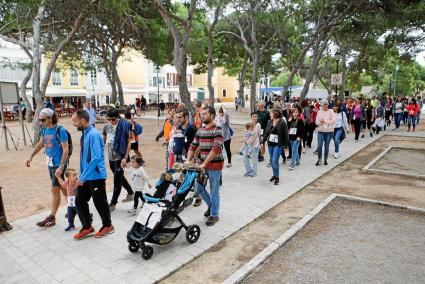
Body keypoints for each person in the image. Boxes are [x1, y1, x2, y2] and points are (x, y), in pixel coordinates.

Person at [71, 110, 113, 240]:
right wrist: (81, 175)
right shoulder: (84, 134)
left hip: (96, 176)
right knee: (79, 201)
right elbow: (84, 158)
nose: (74, 124)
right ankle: (87, 227)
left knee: (99, 201)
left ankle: (108, 225)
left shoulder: (94, 134)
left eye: (75, 121)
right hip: (86, 175)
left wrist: (83, 177)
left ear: (83, 120)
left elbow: (95, 159)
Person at [26, 108, 69, 228]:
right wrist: (31, 156)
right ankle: (74, 205)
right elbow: (41, 144)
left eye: (43, 119)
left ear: (50, 118)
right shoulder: (44, 129)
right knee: (61, 187)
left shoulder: (60, 130)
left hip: (58, 164)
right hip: (50, 164)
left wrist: (61, 167)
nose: (41, 122)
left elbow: (66, 150)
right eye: (40, 120)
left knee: (54, 190)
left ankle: (52, 217)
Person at [187, 106, 224, 226]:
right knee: (199, 189)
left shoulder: (218, 130)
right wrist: (189, 160)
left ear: (212, 115)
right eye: (201, 114)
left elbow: (216, 149)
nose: (202, 116)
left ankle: (214, 215)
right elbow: (193, 146)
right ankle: (211, 206)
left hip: (214, 166)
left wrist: (204, 163)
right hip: (202, 166)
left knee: (214, 191)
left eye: (205, 114)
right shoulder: (200, 130)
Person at [102, 108, 134, 212]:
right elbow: (104, 137)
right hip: (111, 156)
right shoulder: (106, 126)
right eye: (109, 119)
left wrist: (125, 157)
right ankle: (130, 193)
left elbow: (129, 143)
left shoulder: (125, 126)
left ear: (118, 118)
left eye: (113, 119)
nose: (111, 121)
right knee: (119, 176)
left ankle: (113, 203)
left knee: (117, 179)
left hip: (120, 156)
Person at [262, 108, 289, 185]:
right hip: (270, 143)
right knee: (272, 160)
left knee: (274, 160)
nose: (269, 114)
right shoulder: (270, 121)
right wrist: (263, 141)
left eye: (271, 113)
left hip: (278, 144)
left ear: (275, 114)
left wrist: (286, 146)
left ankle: (277, 177)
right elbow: (266, 132)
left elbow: (286, 135)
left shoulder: (282, 122)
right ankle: (274, 175)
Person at [315, 99, 335, 166]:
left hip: (329, 132)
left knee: (326, 146)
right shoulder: (319, 112)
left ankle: (325, 159)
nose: (324, 106)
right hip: (320, 131)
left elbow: (333, 121)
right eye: (323, 105)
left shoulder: (331, 111)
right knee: (320, 146)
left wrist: (325, 121)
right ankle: (319, 159)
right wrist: (320, 122)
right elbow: (316, 122)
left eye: (326, 104)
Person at [287, 106, 305, 170]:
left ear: (298, 113)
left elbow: (303, 131)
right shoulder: (290, 120)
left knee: (293, 150)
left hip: (297, 138)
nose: (295, 113)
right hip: (291, 137)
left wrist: (300, 137)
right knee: (295, 150)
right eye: (293, 112)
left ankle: (292, 163)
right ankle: (297, 162)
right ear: (292, 113)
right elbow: (287, 128)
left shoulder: (300, 121)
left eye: (296, 112)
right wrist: (288, 121)